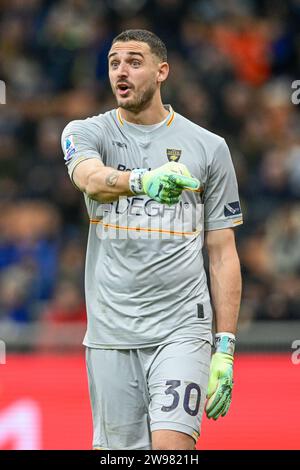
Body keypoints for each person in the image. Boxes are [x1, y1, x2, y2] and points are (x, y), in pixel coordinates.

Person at [61, 29, 242, 451]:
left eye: (134, 62)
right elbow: (90, 180)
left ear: (162, 72)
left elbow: (222, 253)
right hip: (110, 333)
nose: (121, 71)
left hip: (182, 329)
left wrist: (226, 347)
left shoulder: (210, 148)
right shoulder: (86, 133)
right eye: (113, 62)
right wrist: (142, 180)